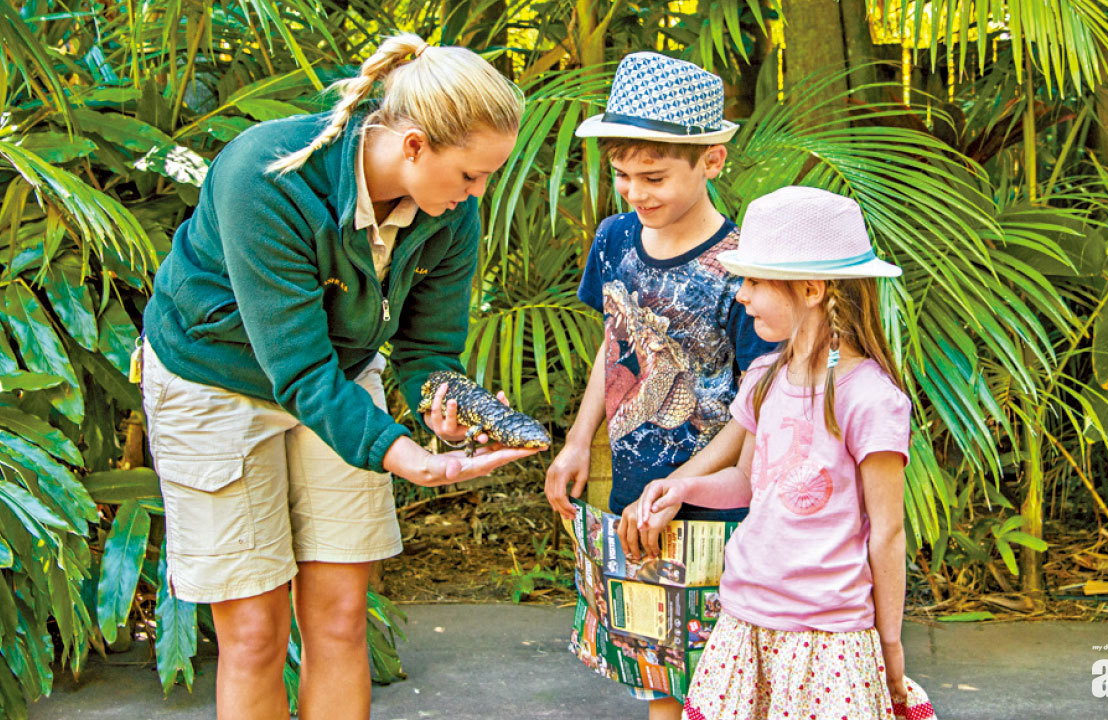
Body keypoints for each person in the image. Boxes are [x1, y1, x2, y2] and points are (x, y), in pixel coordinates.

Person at [141, 34, 538, 720]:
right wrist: (405, 456)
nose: (479, 193)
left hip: (339, 377)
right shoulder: (265, 177)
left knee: (339, 618)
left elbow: (428, 350)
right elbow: (297, 368)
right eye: (471, 174)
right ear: (413, 146)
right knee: (256, 635)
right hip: (216, 381)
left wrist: (441, 408)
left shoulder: (450, 215)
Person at [637, 186, 937, 720]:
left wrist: (890, 644)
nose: (742, 295)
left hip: (828, 636)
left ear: (812, 288)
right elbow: (749, 482)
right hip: (746, 617)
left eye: (754, 280)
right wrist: (683, 488)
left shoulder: (868, 398)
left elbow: (888, 532)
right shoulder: (764, 377)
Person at [543, 51, 774, 720]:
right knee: (657, 676)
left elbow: (756, 400)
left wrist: (687, 485)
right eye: (622, 175)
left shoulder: (741, 267)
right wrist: (578, 442)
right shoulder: (614, 239)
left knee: (721, 678)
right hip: (632, 496)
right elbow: (613, 348)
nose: (637, 193)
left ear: (712, 160)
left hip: (720, 501)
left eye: (654, 176)